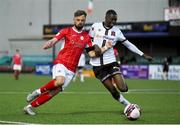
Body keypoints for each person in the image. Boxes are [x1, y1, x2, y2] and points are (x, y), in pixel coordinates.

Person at [23, 10, 112, 115]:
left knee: (54, 92)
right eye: (78, 20)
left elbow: (92, 54)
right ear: (74, 19)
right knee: (60, 81)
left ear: (85, 21)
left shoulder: (87, 37)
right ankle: (37, 92)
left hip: (72, 69)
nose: (80, 22)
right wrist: (49, 43)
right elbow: (54, 39)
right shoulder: (66, 31)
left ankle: (29, 107)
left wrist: (105, 47)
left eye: (82, 20)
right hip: (61, 62)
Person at [89, 9, 153, 109]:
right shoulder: (95, 26)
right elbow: (89, 40)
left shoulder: (117, 31)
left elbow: (128, 44)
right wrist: (94, 46)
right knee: (112, 90)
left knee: (123, 88)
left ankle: (122, 83)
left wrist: (143, 54)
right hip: (97, 66)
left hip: (111, 62)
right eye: (111, 19)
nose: (113, 22)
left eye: (115, 20)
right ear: (105, 17)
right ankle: (128, 106)